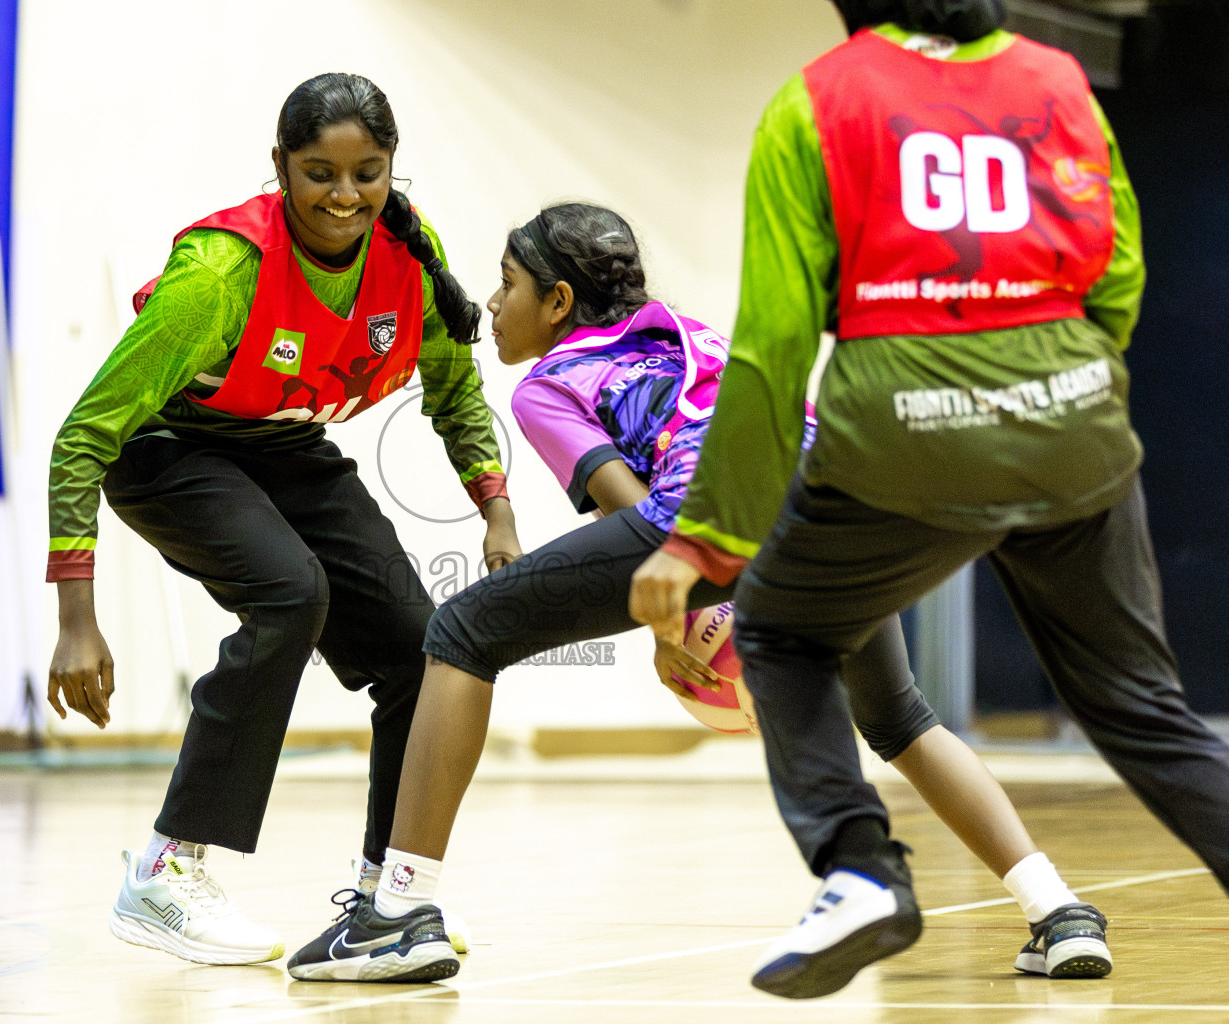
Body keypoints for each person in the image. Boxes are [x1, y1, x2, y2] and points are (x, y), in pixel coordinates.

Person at [286, 203, 1105, 984]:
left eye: (507, 284)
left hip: (712, 514)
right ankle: (1057, 910)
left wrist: (669, 624)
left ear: (558, 300)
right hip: (846, 512)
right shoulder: (686, 333)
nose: (493, 303)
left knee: (461, 631)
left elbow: (637, 512)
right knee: (899, 719)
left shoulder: (549, 383)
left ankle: (395, 911)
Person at [630, 0, 1229, 1001]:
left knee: (778, 627)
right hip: (1071, 426)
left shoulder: (815, 101)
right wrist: (1048, 390)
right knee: (1143, 711)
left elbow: (773, 349)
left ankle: (857, 869)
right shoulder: (1054, 82)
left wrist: (703, 538)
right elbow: (1114, 274)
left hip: (905, 433)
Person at [44, 73, 521, 966]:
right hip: (166, 447)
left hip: (282, 447)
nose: (344, 197)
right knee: (288, 593)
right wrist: (77, 616)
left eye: (367, 174)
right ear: (280, 168)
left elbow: (454, 392)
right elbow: (82, 437)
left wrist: (495, 512)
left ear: (390, 172)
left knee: (427, 646)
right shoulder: (223, 270)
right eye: (319, 174)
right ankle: (165, 871)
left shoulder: (407, 261)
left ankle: (387, 901)